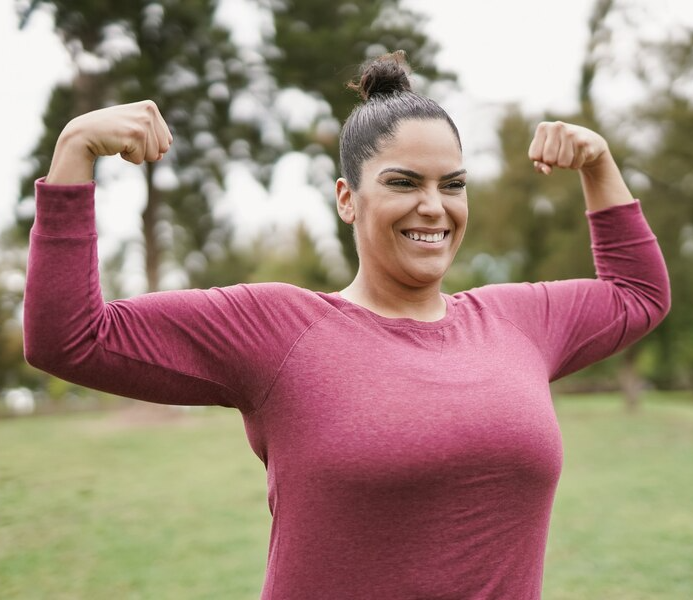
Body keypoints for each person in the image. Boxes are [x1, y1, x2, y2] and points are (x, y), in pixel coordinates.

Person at [23, 51, 669, 599]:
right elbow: (70, 338)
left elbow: (639, 294)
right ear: (345, 199)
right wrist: (75, 150)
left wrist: (598, 164)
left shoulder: (517, 322)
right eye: (403, 182)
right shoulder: (278, 331)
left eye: (453, 184)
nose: (432, 206)